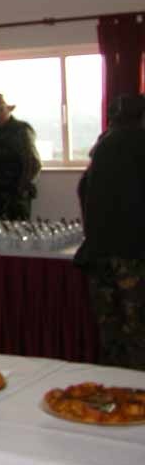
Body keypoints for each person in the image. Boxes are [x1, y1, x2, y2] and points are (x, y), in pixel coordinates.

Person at [74, 94, 145, 369]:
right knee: (137, 332)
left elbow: (83, 189)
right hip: (133, 255)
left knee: (110, 331)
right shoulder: (139, 144)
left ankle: (112, 385)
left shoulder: (102, 145)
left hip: (99, 253)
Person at [0, 94, 41, 220]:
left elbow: (33, 163)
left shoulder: (21, 130)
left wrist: (20, 192)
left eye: (0, 109)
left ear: (8, 110)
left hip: (16, 198)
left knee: (18, 230)